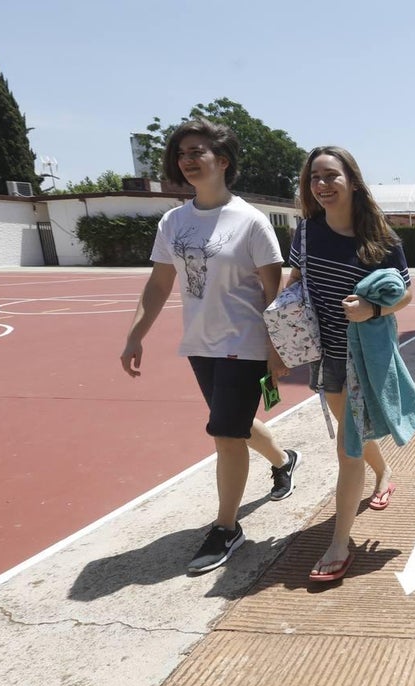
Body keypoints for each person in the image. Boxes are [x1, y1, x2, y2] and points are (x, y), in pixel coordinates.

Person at [120, 118, 302, 574]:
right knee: (232, 425)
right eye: (182, 153)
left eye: (198, 151)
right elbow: (160, 282)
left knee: (225, 432)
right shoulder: (173, 221)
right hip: (200, 345)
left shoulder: (252, 222)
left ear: (222, 161)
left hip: (245, 342)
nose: (188, 159)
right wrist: (135, 333)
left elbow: (273, 294)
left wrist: (277, 353)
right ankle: (283, 460)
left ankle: (227, 527)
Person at [290, 146, 413, 582]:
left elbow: (405, 294)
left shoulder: (381, 239)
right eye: (314, 178)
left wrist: (372, 310)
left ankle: (339, 544)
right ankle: (384, 474)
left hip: (365, 357)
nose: (321, 185)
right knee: (354, 434)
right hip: (326, 356)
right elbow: (297, 281)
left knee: (347, 448)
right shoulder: (304, 235)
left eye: (330, 176)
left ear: (353, 181)